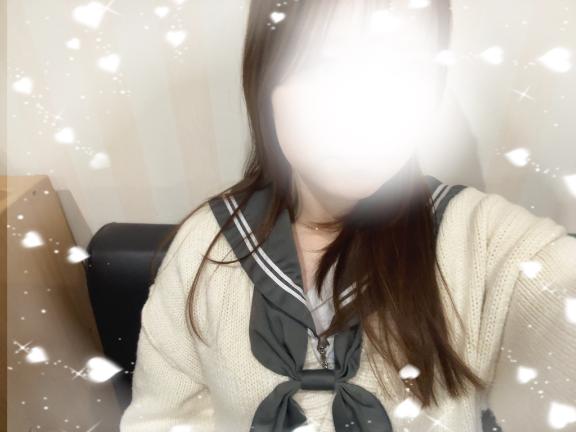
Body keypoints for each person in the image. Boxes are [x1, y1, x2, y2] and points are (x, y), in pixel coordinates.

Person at [119, 0, 576, 431]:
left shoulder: (486, 244)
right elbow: (162, 418)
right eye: (324, 63)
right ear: (265, 77)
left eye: (402, 67)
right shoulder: (204, 246)